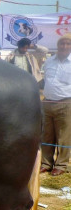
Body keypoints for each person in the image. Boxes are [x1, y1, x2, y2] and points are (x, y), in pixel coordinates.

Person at [40, 33, 71, 176]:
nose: (64, 46)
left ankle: (61, 164)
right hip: (47, 102)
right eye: (62, 43)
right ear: (57, 46)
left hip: (66, 103)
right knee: (46, 136)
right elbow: (44, 80)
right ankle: (46, 163)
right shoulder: (49, 61)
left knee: (64, 136)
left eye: (67, 43)